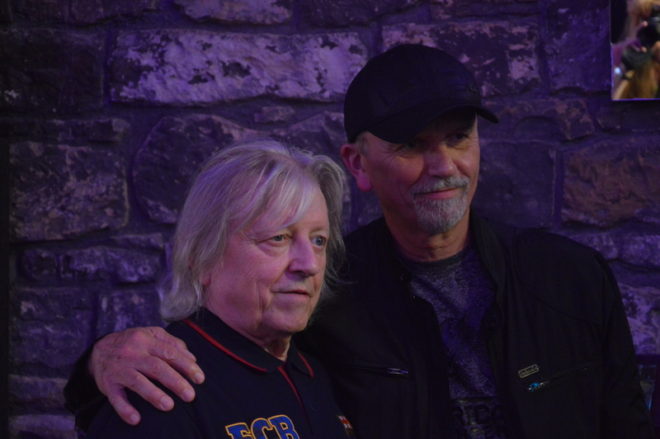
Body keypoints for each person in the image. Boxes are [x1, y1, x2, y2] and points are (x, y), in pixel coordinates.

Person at [65, 45, 655, 438]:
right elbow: (211, 357)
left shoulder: (571, 279)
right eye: (412, 145)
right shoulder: (326, 299)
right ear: (358, 163)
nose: (443, 165)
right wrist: (101, 360)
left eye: (459, 137)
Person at [82, 140, 355, 438]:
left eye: (318, 240)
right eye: (278, 238)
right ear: (203, 257)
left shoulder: (317, 373)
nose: (309, 264)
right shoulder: (161, 384)